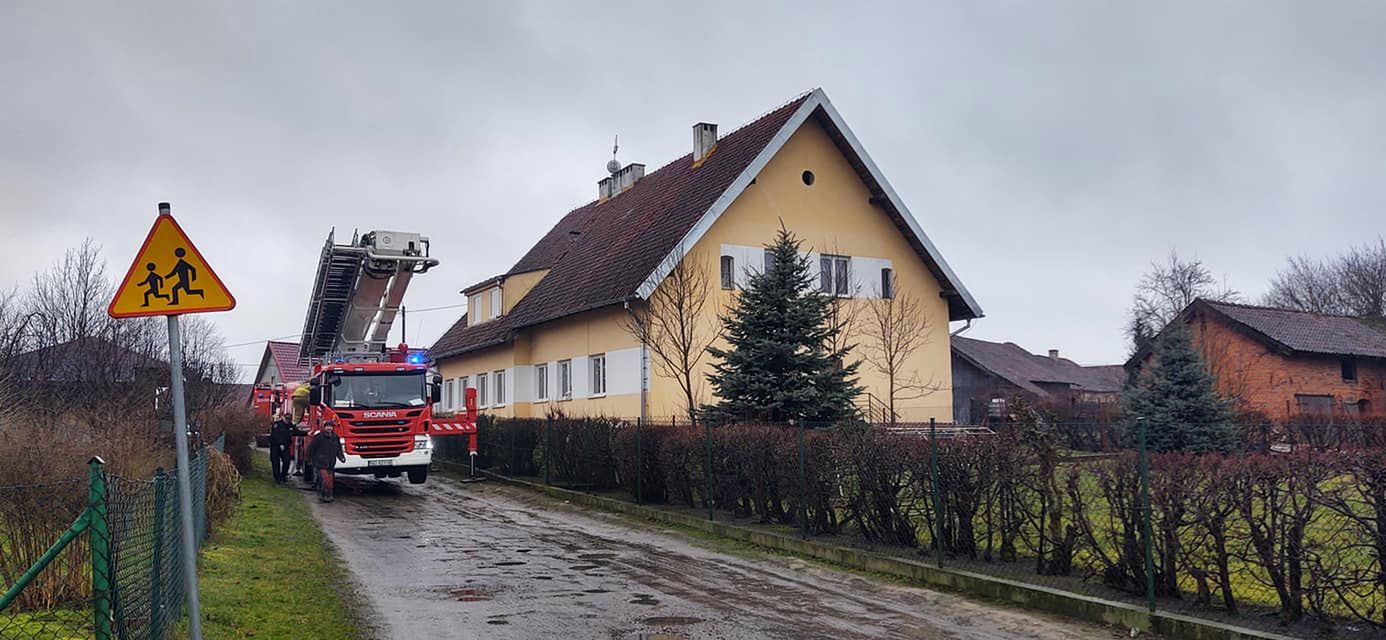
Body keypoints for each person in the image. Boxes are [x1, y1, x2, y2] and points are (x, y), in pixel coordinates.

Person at [307, 420, 346, 502]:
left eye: (330, 427)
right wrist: (309, 459)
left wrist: (341, 457)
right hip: (320, 462)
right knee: (325, 480)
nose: (329, 428)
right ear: (324, 427)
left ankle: (329, 495)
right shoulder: (318, 437)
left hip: (331, 462)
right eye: (327, 426)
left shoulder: (335, 437)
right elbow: (311, 449)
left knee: (330, 480)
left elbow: (338, 449)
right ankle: (323, 495)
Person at [268, 413, 293, 484]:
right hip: (275, 446)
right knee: (275, 462)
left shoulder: (290, 425)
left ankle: (283, 476)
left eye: (289, 419)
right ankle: (277, 478)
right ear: (283, 418)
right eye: (286, 419)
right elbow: (275, 435)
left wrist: (306, 433)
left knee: (287, 461)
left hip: (285, 446)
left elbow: (296, 431)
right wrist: (280, 443)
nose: (287, 421)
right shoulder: (277, 425)